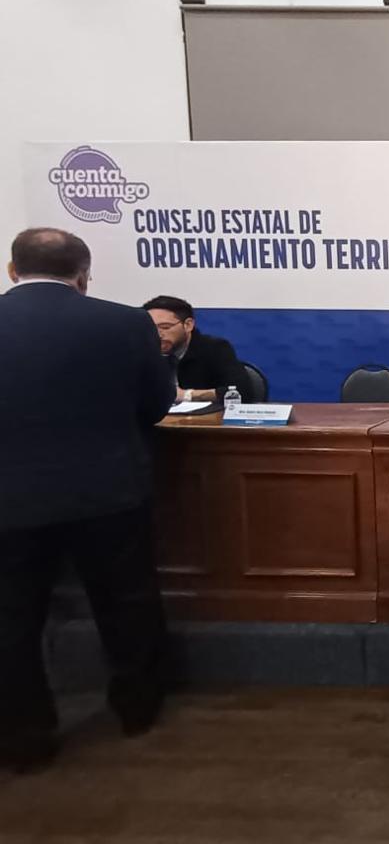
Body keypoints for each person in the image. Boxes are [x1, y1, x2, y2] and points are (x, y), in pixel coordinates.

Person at [0, 228, 174, 774]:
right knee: (127, 603)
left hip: (10, 501)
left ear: (12, 270)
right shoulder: (126, 323)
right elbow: (157, 403)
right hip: (109, 491)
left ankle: (26, 738)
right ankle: (137, 711)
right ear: (83, 274)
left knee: (12, 621)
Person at [142, 295, 250, 404]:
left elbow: (240, 391)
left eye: (165, 327)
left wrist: (187, 395)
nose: (157, 335)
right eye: (150, 327)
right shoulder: (141, 350)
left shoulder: (215, 348)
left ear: (188, 325)